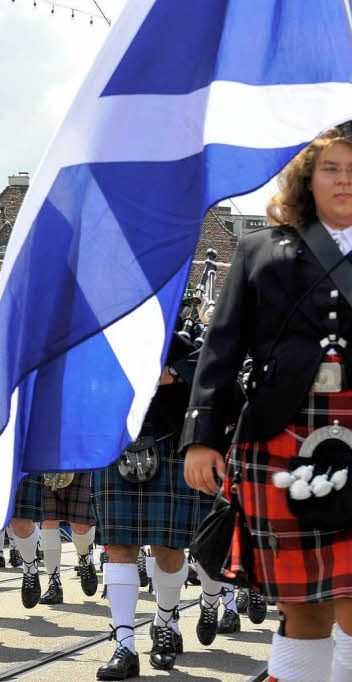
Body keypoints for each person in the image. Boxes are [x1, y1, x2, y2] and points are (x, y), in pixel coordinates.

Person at [183, 121, 352, 682]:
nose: (344, 180)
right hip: (282, 434)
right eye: (331, 167)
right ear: (307, 176)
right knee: (304, 609)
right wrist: (201, 439)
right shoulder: (260, 250)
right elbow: (221, 350)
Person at [93, 332, 220, 680]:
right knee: (119, 547)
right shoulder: (102, 335)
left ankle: (165, 622)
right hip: (117, 446)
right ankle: (124, 645)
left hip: (168, 444)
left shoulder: (176, 338)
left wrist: (174, 372)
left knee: (168, 550)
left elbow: (215, 363)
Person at [8, 472, 99, 609]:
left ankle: (84, 558)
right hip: (48, 461)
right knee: (49, 520)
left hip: (79, 460)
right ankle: (54, 584)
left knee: (81, 526)